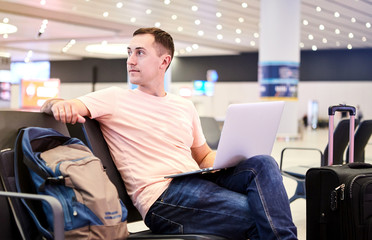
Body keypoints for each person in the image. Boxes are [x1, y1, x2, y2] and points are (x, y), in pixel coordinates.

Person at [41, 27, 297, 240]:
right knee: (261, 215)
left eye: (140, 53)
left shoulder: (183, 106)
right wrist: (59, 104)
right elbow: (62, 104)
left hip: (197, 181)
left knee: (263, 163)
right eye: (129, 52)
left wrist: (229, 157)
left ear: (164, 61)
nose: (130, 60)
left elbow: (203, 155)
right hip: (162, 196)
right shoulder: (115, 98)